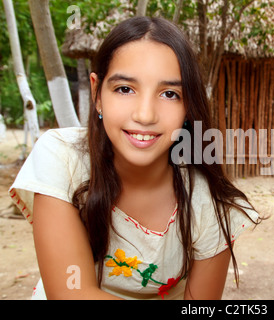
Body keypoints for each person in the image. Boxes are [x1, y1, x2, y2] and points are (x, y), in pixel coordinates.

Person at [9, 16, 260, 300]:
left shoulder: (209, 205)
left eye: (169, 94)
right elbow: (72, 293)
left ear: (188, 107)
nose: (145, 115)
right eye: (125, 89)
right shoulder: (62, 159)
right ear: (97, 93)